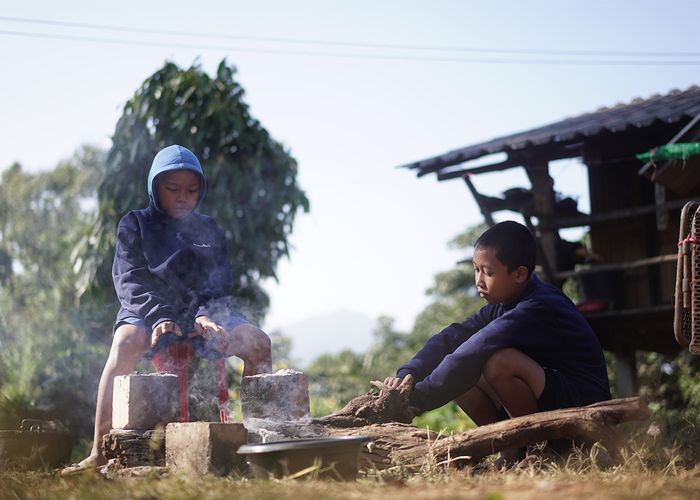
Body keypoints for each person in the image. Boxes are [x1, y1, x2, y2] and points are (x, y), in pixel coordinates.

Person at [66, 144, 272, 473]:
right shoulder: (134, 225)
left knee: (258, 341)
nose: (182, 198)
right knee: (125, 343)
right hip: (148, 312)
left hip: (206, 313)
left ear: (200, 191)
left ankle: (262, 446)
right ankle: (98, 453)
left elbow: (219, 284)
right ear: (154, 187)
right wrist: (161, 316)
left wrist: (205, 314)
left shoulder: (210, 230)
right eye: (172, 189)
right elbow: (130, 281)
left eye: (191, 191)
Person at [384, 221, 610, 463]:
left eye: (489, 272)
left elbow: (476, 348)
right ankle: (512, 451)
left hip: (583, 404)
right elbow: (452, 337)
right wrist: (409, 374)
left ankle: (539, 452)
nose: (479, 281)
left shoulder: (539, 305)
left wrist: (415, 401)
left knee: (498, 363)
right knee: (462, 376)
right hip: (548, 400)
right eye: (476, 269)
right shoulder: (503, 304)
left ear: (520, 274)